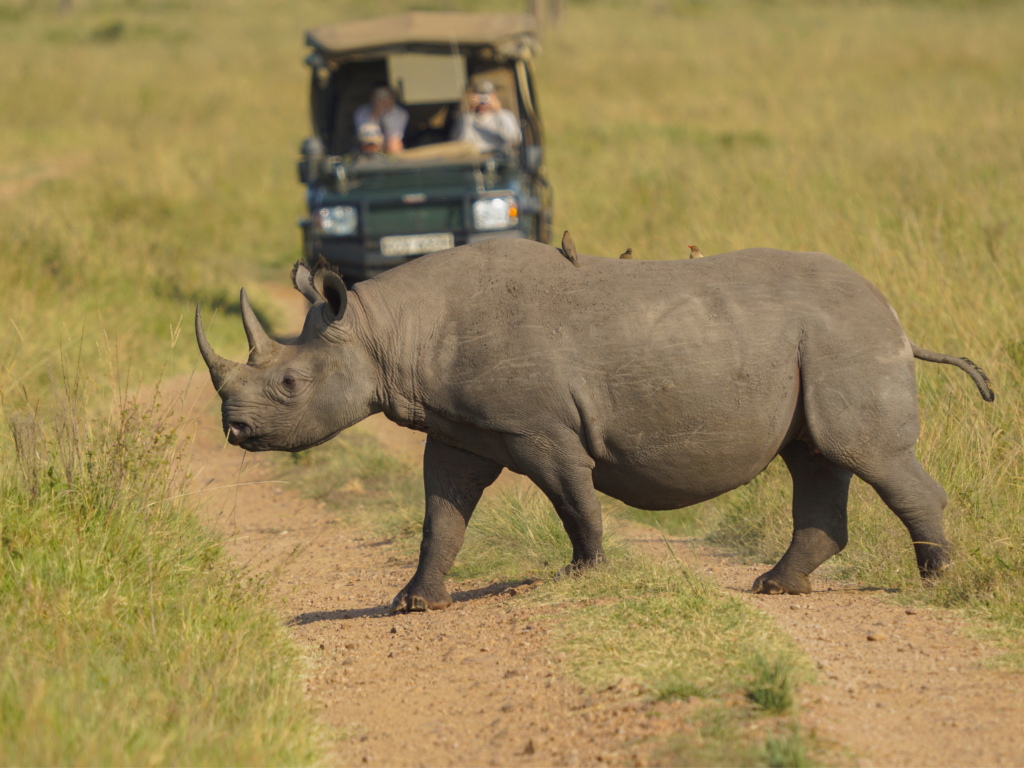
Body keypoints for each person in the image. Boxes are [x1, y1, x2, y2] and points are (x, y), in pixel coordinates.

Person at [450, 80, 522, 153]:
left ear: (495, 95)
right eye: (480, 96)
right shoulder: (467, 118)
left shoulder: (506, 115)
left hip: (499, 155)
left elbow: (514, 138)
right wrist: (469, 112)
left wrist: (499, 112)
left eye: (487, 96)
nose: (483, 100)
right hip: (477, 157)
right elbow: (461, 141)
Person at [354, 86, 408, 154]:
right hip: (371, 145)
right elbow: (367, 135)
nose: (382, 100)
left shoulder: (400, 113)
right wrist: (375, 114)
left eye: (385, 97)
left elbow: (393, 136)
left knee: (394, 145)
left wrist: (385, 114)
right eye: (378, 97)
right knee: (370, 146)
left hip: (388, 145)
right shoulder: (362, 112)